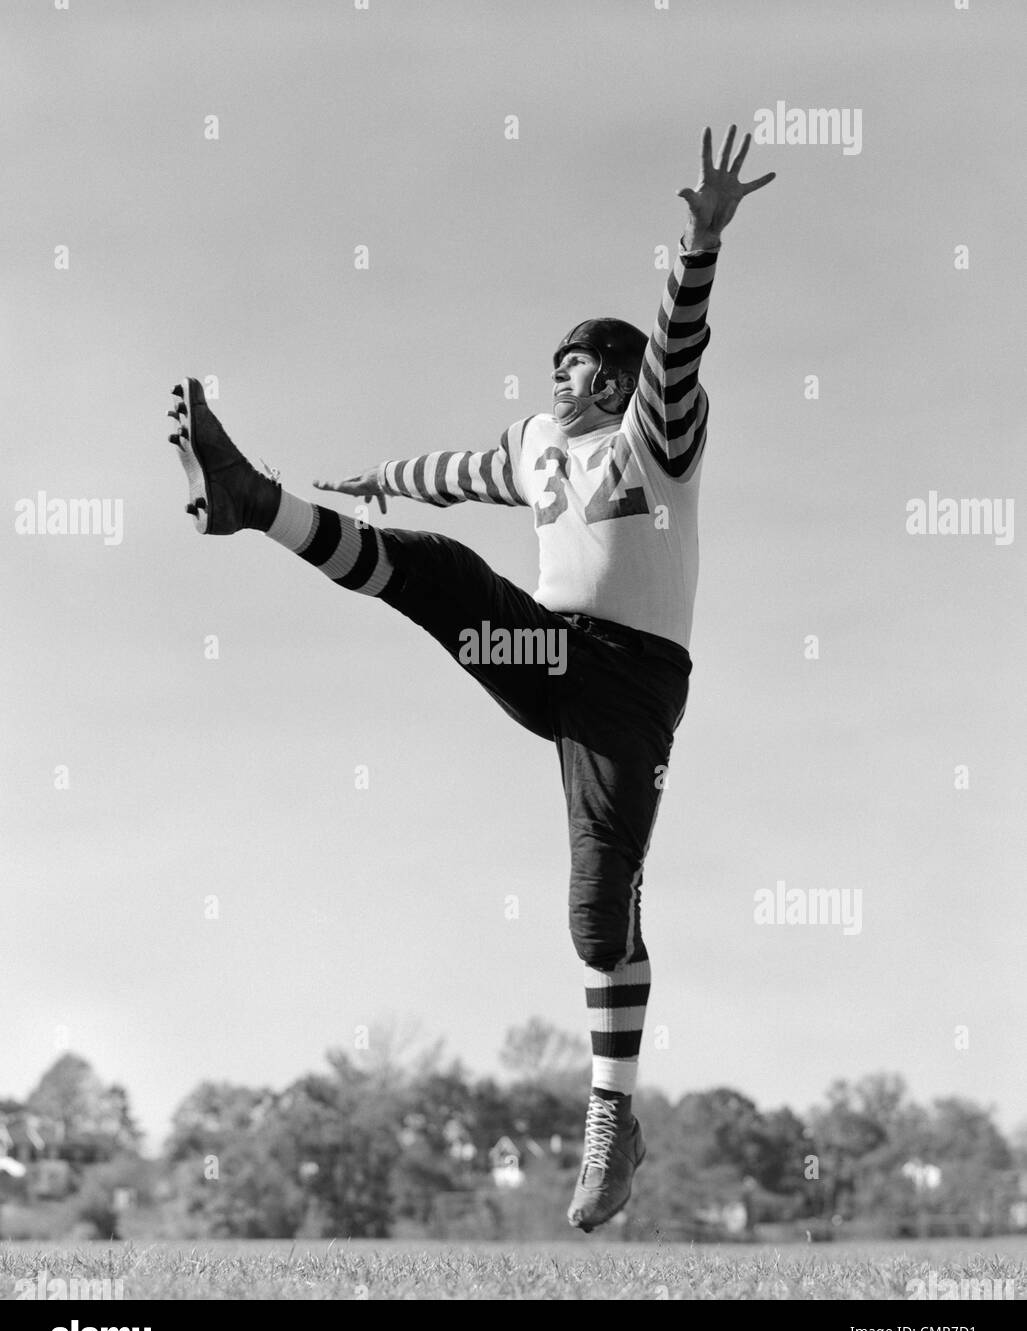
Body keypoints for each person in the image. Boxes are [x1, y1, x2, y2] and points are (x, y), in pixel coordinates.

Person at [167, 124, 774, 1232]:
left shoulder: (658, 436)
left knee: (597, 912)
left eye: (584, 369)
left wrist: (698, 243)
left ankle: (612, 1117)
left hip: (628, 687)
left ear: (622, 378)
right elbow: (456, 474)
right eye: (555, 371)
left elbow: (680, 344)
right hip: (541, 650)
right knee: (435, 572)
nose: (564, 383)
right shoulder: (542, 442)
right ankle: (255, 500)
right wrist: (379, 479)